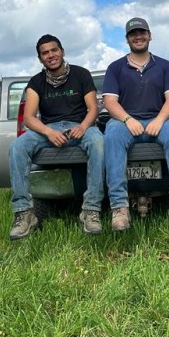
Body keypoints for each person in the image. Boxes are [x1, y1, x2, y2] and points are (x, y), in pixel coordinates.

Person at [8, 34, 105, 239]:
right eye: (45, 53)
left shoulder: (81, 74)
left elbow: (93, 108)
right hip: (49, 128)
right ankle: (24, 212)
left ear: (62, 51)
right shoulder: (36, 82)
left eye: (54, 50)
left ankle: (91, 209)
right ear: (40, 59)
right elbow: (29, 118)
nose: (51, 55)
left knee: (98, 142)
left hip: (80, 126)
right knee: (17, 147)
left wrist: (84, 126)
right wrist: (48, 132)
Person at [102, 17, 169, 231]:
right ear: (127, 39)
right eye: (133, 34)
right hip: (124, 121)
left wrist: (160, 120)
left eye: (142, 32)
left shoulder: (164, 66)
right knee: (112, 135)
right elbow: (110, 101)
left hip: (158, 119)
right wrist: (127, 119)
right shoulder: (115, 68)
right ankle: (119, 207)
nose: (138, 37)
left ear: (150, 35)